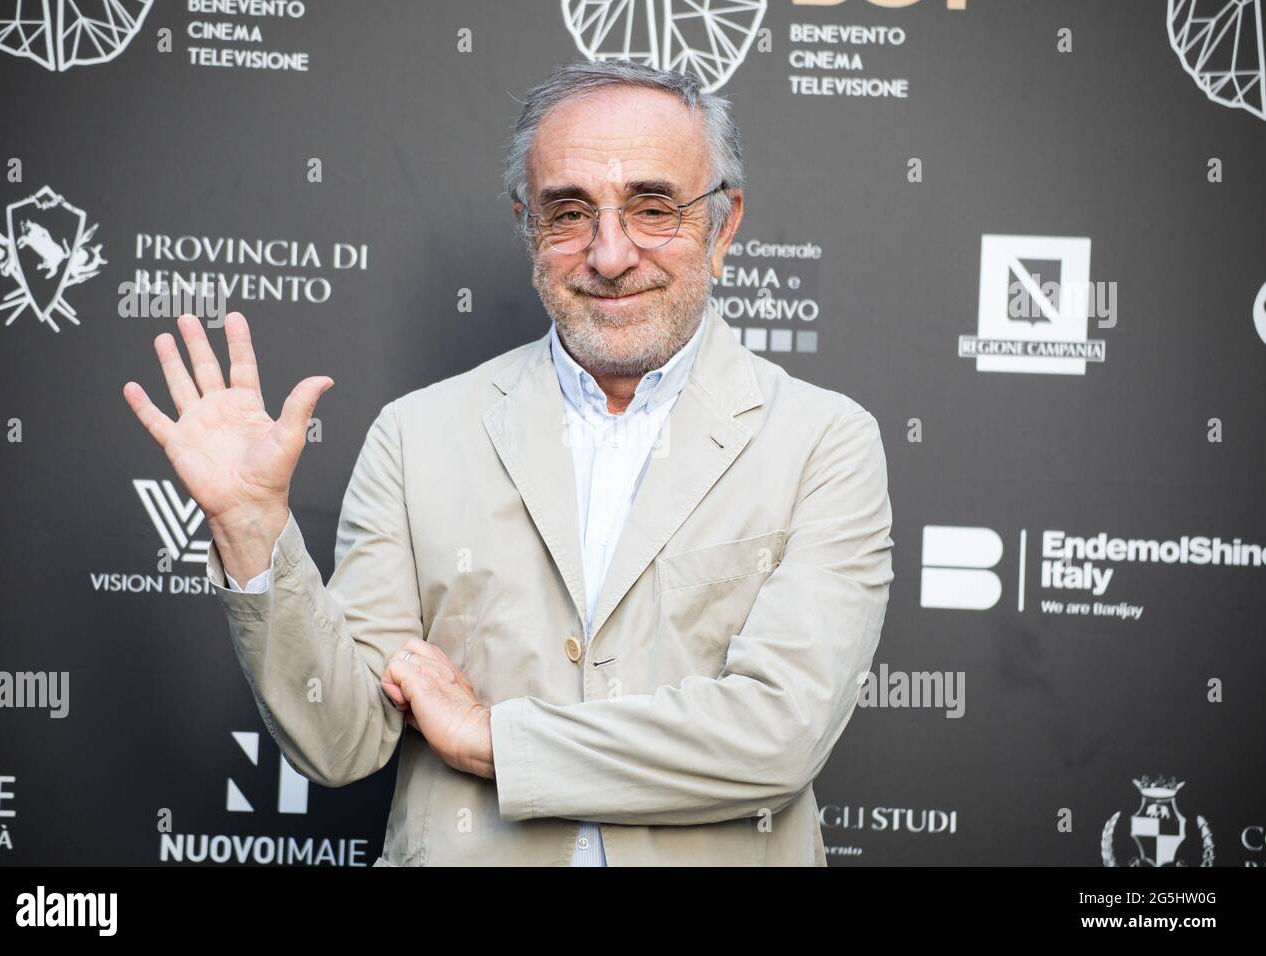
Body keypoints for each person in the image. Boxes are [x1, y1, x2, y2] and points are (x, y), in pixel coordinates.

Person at [122, 59, 893, 866]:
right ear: (528, 227)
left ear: (723, 224)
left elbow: (777, 736)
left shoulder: (822, 441)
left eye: (653, 207)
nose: (609, 252)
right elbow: (339, 740)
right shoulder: (416, 436)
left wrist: (494, 740)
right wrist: (251, 533)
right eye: (568, 213)